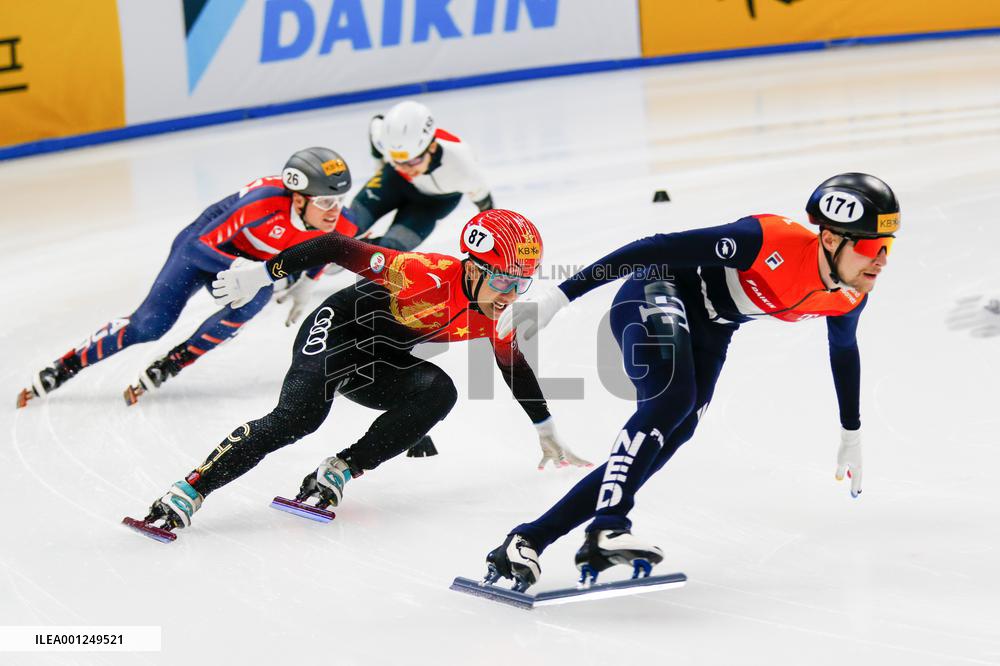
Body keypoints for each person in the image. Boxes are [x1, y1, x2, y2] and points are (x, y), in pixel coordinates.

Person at [483, 173, 900, 590]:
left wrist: (852, 432)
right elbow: (656, 248)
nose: (881, 259)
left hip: (713, 329)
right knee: (672, 400)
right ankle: (608, 527)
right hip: (658, 287)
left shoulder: (850, 294)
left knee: (672, 433)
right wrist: (560, 296)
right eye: (868, 247)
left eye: (888, 246)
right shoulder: (770, 239)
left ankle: (528, 539)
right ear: (830, 239)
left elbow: (843, 350)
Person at [126, 209, 591, 538]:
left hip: (379, 364)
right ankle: (190, 489)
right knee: (298, 418)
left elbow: (513, 366)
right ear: (474, 265)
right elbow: (333, 245)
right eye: (505, 280)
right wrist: (263, 274)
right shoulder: (420, 272)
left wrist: (545, 429)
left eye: (522, 283)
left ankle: (339, 470)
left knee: (439, 392)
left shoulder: (495, 313)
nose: (511, 294)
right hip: (334, 335)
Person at [16, 148, 354, 408]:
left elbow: (326, 251)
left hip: (247, 262)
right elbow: (196, 246)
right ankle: (67, 365)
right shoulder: (264, 203)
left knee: (257, 297)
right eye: (325, 201)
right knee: (149, 326)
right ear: (298, 198)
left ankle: (176, 361)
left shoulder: (341, 223)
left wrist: (309, 281)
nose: (334, 210)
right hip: (205, 248)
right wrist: (237, 265)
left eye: (339, 200)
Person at [347, 100, 494, 252]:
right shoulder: (385, 139)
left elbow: (485, 205)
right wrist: (380, 167)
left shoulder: (462, 166)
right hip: (393, 181)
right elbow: (376, 123)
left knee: (388, 253)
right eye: (398, 161)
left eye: (413, 161)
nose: (406, 169)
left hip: (431, 205)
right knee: (347, 225)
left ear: (432, 147)